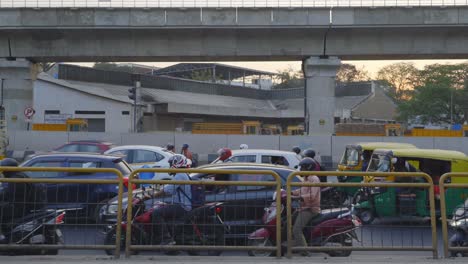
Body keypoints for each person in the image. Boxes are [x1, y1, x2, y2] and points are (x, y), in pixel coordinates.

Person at [145, 154, 192, 245]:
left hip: (182, 206)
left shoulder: (180, 175)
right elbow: (169, 188)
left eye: (171, 164)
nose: (170, 167)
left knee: (156, 213)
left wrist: (152, 196)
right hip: (181, 204)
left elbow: (167, 190)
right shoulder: (182, 174)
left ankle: (166, 239)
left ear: (176, 163)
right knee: (160, 205)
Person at [0, 158, 47, 242]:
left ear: (8, 169)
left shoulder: (16, 179)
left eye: (3, 170)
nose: (2, 172)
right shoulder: (19, 176)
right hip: (21, 205)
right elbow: (7, 193)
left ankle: (3, 236)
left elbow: (13, 197)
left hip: (19, 207)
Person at [291, 157, 321, 256]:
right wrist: (291, 193)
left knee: (296, 229)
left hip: (310, 209)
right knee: (288, 222)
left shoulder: (314, 179)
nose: (301, 170)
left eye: (303, 168)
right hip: (303, 207)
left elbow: (312, 195)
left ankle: (305, 251)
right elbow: (302, 191)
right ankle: (294, 244)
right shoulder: (306, 178)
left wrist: (299, 197)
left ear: (308, 168)